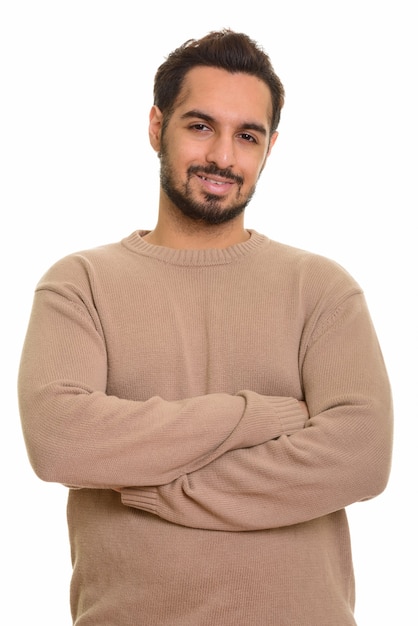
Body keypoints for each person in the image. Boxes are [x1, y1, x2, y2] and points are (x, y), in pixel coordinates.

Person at [18, 29, 393, 625]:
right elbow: (63, 441)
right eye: (200, 126)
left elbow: (361, 457)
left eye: (248, 135)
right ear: (155, 127)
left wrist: (155, 486)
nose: (223, 156)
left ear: (270, 147)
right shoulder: (80, 282)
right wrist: (255, 417)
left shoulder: (321, 288)